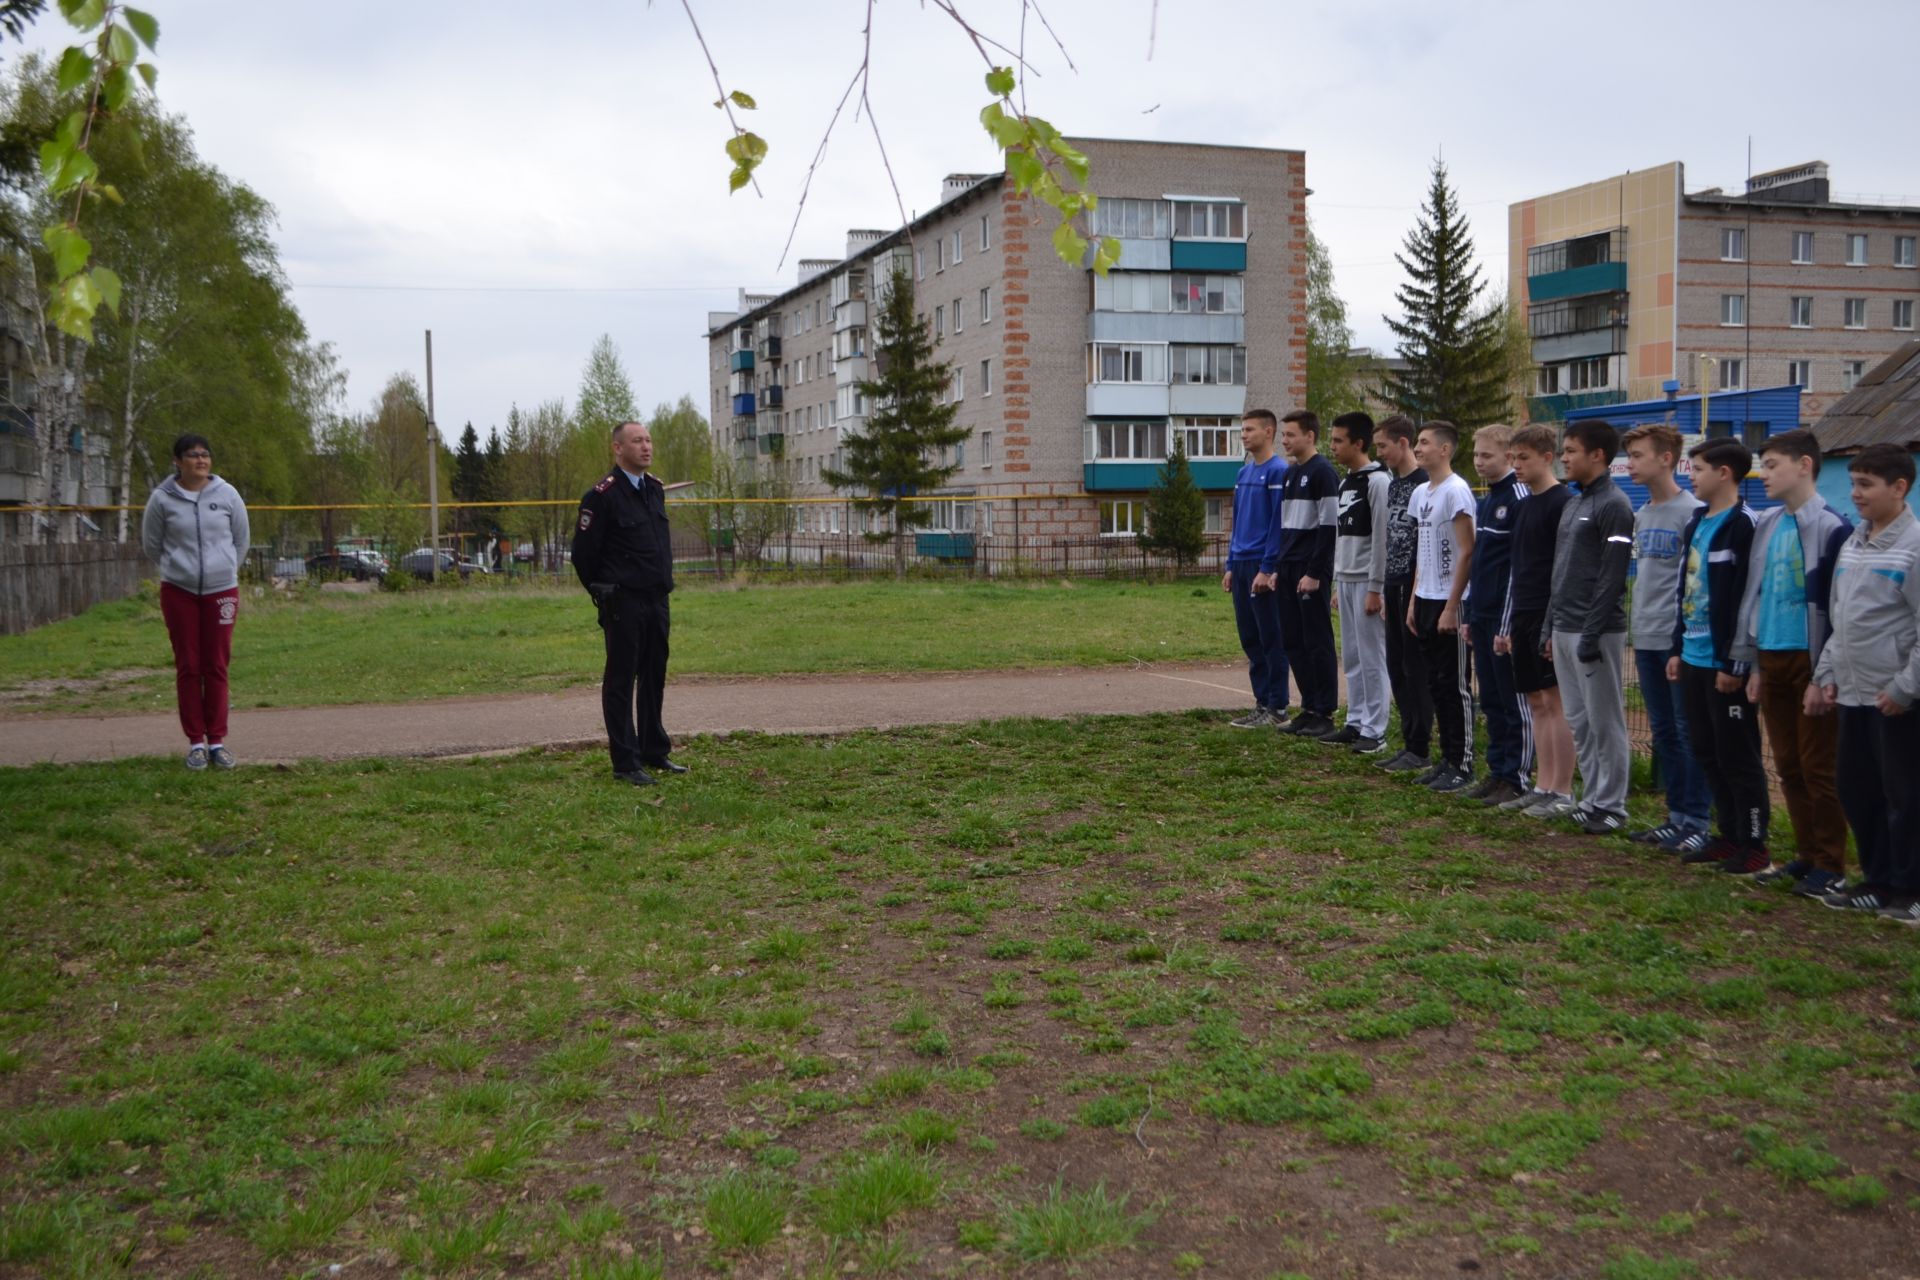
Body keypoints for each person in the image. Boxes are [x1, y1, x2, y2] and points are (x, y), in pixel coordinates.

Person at [1733, 429, 1852, 896]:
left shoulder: (1832, 527)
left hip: (1811, 658)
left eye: (1774, 464)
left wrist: (1823, 673)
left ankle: (1831, 862)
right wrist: (1756, 664)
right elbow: (1756, 594)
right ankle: (1804, 856)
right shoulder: (1767, 523)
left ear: (1804, 465)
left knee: (1818, 765)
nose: (1764, 473)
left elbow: (1834, 606)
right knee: (1787, 764)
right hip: (1771, 655)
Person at [1807, 445, 1920, 921]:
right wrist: (1827, 673)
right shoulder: (1855, 542)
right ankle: (1875, 880)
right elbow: (1842, 618)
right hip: (1852, 694)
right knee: (1859, 790)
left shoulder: (1913, 546)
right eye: (1853, 483)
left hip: (1895, 699)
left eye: (1866, 485)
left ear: (1900, 487)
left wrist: (1903, 688)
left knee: (1905, 797)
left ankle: (1910, 889)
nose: (1855, 494)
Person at [1667, 438, 1769, 875]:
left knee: (1738, 756)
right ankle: (1727, 836)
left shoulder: (1745, 524)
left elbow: (1748, 597)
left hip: (1724, 664)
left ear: (1724, 473)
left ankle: (1755, 842)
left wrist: (1736, 664)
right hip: (1692, 656)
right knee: (1706, 750)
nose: (1691, 475)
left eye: (1699, 468)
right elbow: (1685, 590)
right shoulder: (1696, 522)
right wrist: (1676, 646)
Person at [572, 419, 683, 786]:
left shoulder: (653, 489)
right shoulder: (602, 496)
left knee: (653, 676)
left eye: (649, 440)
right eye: (637, 441)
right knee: (621, 680)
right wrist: (604, 592)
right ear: (618, 448)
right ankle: (625, 762)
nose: (646, 447)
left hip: (656, 599)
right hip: (624, 602)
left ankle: (654, 750)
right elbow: (583, 556)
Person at [1620, 424, 1711, 852]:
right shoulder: (1641, 515)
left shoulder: (1692, 512)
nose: (1631, 464)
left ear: (1667, 459)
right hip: (1646, 635)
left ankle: (1698, 819)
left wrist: (1679, 640)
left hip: (1679, 641)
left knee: (1686, 728)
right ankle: (1675, 816)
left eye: (1639, 455)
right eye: (1630, 455)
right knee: (1663, 731)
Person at [141, 433, 250, 771]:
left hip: (221, 591)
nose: (200, 460)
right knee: (189, 666)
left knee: (216, 665)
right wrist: (180, 569)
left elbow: (241, 540)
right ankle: (195, 745)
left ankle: (217, 742)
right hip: (179, 591)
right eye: (192, 455)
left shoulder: (227, 494)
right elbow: (152, 545)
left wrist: (225, 569)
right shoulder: (162, 499)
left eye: (205, 454)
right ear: (178, 461)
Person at [1548, 420, 1635, 835]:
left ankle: (1613, 805)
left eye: (1570, 451)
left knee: (1605, 721)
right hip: (1564, 625)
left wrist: (1591, 632)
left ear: (1597, 455)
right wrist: (1550, 625)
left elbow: (1612, 577)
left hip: (1595, 630)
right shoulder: (1574, 503)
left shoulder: (1614, 505)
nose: (1564, 458)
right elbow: (1561, 571)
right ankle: (1592, 798)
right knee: (1580, 721)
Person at [1495, 425, 1578, 818]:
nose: (1517, 466)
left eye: (1523, 458)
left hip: (1549, 616)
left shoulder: (1564, 502)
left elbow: (1564, 571)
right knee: (1535, 701)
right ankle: (1542, 784)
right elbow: (1517, 568)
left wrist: (1553, 625)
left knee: (1555, 702)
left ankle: (1562, 790)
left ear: (1549, 457)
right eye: (1513, 458)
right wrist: (1507, 623)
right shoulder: (1524, 504)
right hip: (1523, 614)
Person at [1404, 421, 1476, 792]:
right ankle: (1446, 759)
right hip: (1428, 598)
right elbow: (1423, 551)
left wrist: (1452, 605)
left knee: (1455, 684)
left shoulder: (1457, 491)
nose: (1418, 448)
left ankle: (1463, 763)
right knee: (1435, 681)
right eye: (1417, 441)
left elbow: (1466, 550)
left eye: (1424, 442)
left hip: (1453, 601)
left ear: (1445, 449)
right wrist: (1415, 599)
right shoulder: (1422, 493)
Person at [1461, 425, 1530, 805]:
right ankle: (1497, 770)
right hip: (1482, 613)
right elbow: (1480, 562)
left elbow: (1515, 569)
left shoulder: (1518, 498)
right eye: (1476, 455)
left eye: (1486, 456)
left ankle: (1516, 776)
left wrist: (1506, 622)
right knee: (1489, 698)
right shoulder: (1486, 501)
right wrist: (1470, 613)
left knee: (1510, 698)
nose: (1478, 462)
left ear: (1509, 456)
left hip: (1504, 619)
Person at [1223, 409, 1292, 728]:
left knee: (1270, 637)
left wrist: (1268, 567)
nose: (1243, 434)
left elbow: (1278, 523)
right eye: (1242, 429)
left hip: (1262, 565)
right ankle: (1261, 701)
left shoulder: (1279, 471)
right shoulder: (1243, 473)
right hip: (1241, 564)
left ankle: (1278, 706)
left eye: (1250, 429)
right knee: (1250, 637)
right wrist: (1229, 564)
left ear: (1268, 432)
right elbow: (1237, 522)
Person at [1328, 411, 1391, 754]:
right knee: (1351, 655)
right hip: (1347, 579)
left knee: (1371, 656)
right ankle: (1355, 720)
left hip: (1368, 582)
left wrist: (1375, 587)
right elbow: (1342, 535)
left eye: (1339, 440)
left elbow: (1381, 538)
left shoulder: (1379, 482)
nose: (1332, 446)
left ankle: (1375, 728)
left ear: (1359, 443)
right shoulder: (1345, 482)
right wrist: (1337, 581)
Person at [1275, 410, 1340, 739]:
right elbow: (1286, 525)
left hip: (1309, 568)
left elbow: (1329, 527)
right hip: (1288, 568)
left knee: (1316, 640)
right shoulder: (1290, 473)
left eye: (1290, 435)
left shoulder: (1323, 472)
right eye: (1283, 435)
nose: (1284, 441)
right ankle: (1309, 706)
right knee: (1293, 639)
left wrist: (1315, 572)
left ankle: (1325, 711)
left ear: (1310, 436)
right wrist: (1277, 568)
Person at [1374, 416, 1433, 774]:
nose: (1379, 453)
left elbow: (1421, 543)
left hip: (1414, 585)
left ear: (1403, 443)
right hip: (1391, 582)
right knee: (1395, 664)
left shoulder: (1423, 484)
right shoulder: (1395, 485)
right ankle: (1409, 742)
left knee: (1415, 668)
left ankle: (1421, 745)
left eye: (1383, 446)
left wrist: (1413, 591)